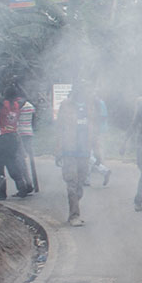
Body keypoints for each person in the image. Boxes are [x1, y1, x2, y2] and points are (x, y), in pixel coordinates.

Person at [54, 85, 98, 226]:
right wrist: (58, 150)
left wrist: (97, 150)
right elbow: (60, 128)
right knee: (72, 182)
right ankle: (74, 215)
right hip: (69, 150)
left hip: (84, 150)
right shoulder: (65, 105)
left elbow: (94, 128)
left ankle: (74, 209)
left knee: (80, 184)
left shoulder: (90, 106)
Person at [0, 85, 33, 199]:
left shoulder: (2, 104)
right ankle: (22, 188)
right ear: (16, 96)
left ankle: (1, 194)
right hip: (14, 137)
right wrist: (19, 86)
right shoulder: (17, 105)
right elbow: (26, 97)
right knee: (12, 164)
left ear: (5, 95)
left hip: (2, 138)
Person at [17, 96, 38, 193]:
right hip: (29, 133)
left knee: (21, 159)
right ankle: (35, 185)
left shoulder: (16, 105)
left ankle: (28, 183)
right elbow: (34, 121)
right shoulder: (30, 106)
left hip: (19, 134)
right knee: (31, 159)